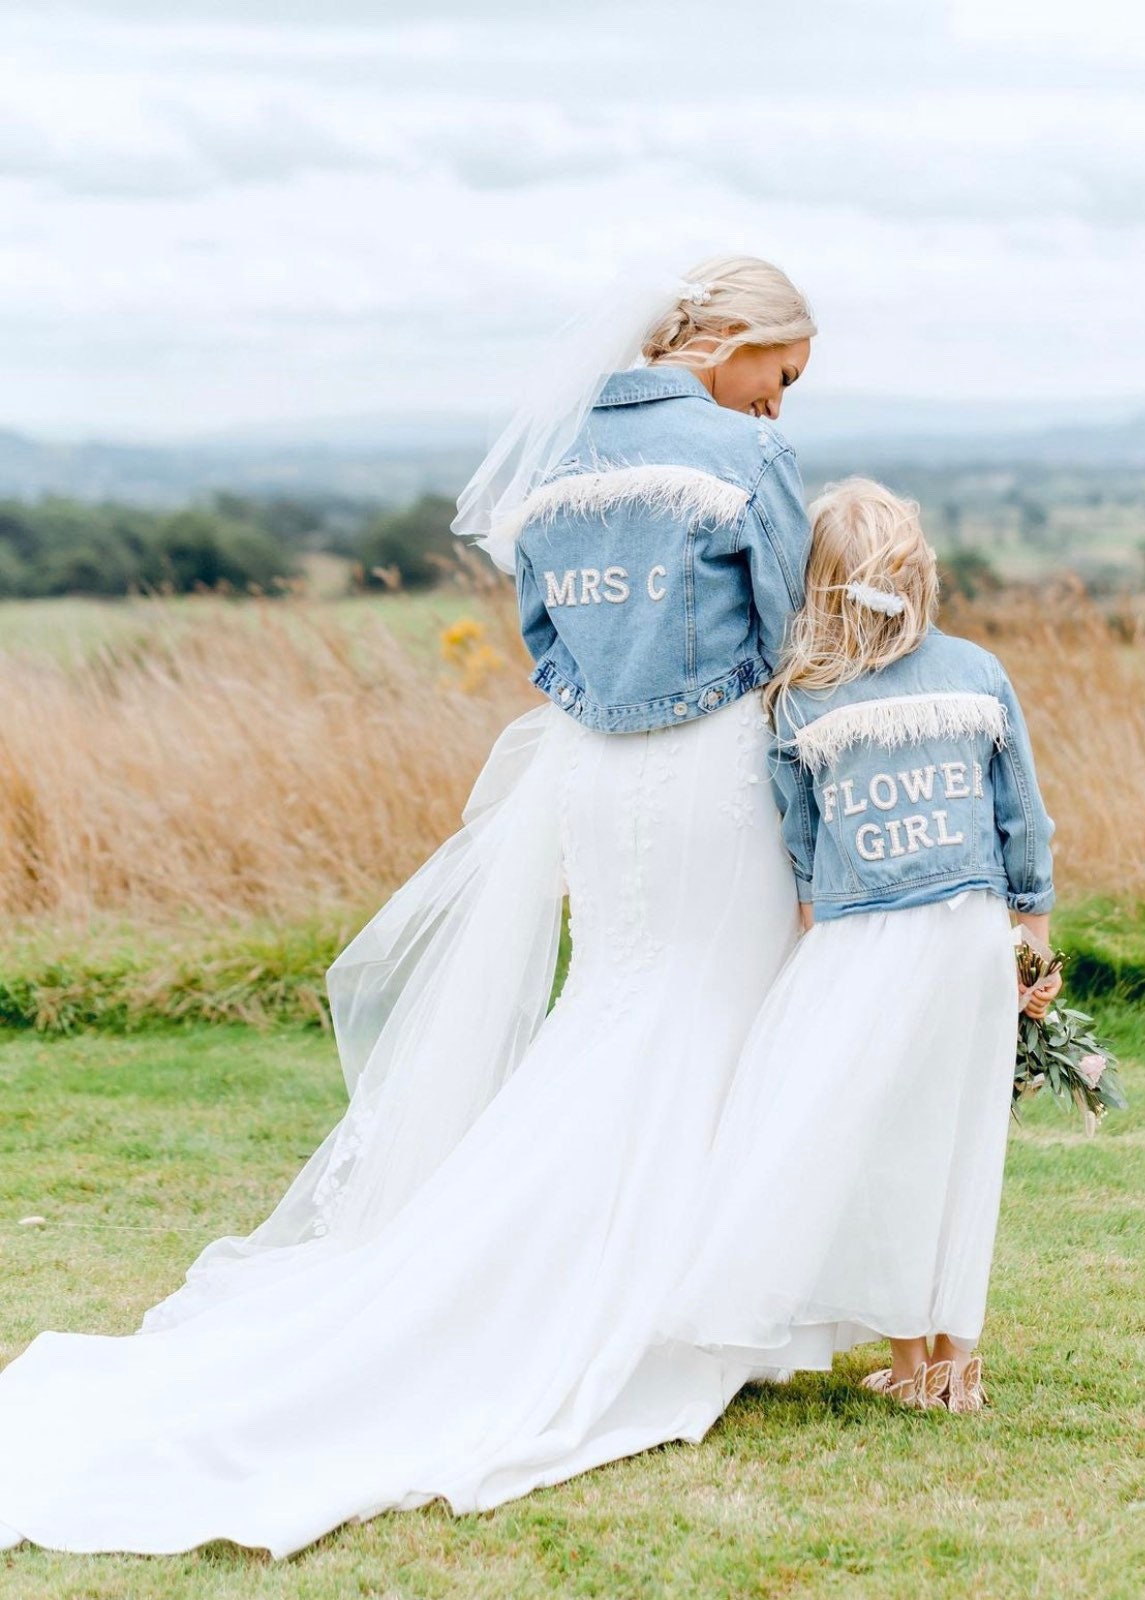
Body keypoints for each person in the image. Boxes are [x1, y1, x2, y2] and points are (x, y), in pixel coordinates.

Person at [0, 256, 820, 1557]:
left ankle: (600, 1275)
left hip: (592, 778)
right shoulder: (743, 458)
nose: (782, 404)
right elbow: (788, 631)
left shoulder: (553, 465)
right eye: (783, 372)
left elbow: (543, 639)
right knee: (715, 1006)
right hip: (717, 765)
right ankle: (656, 1300)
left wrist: (608, 713)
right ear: (729, 339)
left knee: (613, 1005)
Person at [661, 476, 1060, 1413]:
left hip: (861, 943)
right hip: (968, 939)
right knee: (959, 1141)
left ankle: (917, 1357)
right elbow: (1023, 822)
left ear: (823, 588)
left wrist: (813, 931)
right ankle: (954, 1365)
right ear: (919, 575)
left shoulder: (798, 702)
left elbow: (803, 849)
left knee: (884, 1143)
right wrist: (1031, 937)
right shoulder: (977, 673)